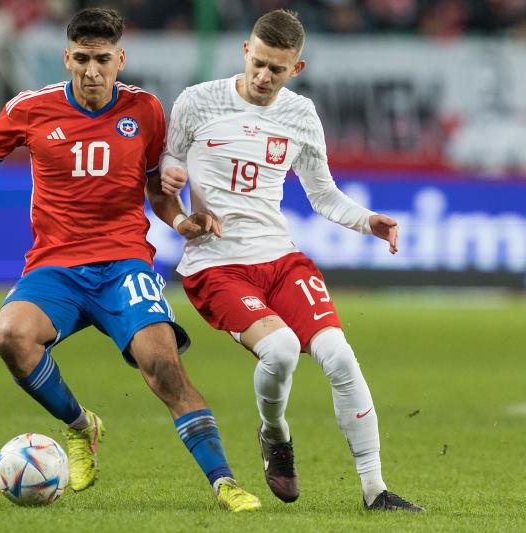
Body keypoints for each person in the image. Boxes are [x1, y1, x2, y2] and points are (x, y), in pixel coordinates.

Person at [0, 8, 260, 513]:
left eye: (102, 59)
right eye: (81, 59)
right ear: (66, 57)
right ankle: (83, 426)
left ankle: (224, 483)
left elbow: (156, 188)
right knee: (9, 336)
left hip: (124, 264)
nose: (91, 71)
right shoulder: (31, 108)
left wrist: (180, 220)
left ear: (120, 58)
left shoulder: (146, 111)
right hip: (55, 267)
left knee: (164, 368)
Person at [159, 9, 424, 512]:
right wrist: (173, 180)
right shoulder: (196, 102)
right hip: (216, 265)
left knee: (340, 356)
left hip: (281, 259)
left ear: (295, 69)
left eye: (276, 70)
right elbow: (168, 161)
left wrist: (371, 221)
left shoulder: (300, 115)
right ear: (245, 49)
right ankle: (274, 432)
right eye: (258, 63)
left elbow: (323, 195)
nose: (263, 76)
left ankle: (375, 491)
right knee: (279, 349)